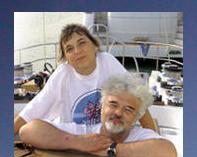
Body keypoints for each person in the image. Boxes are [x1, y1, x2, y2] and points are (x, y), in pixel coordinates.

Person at [14, 23, 155, 134]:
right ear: (66, 58)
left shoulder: (107, 61)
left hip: (106, 133)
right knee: (29, 131)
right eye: (69, 49)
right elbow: (34, 110)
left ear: (95, 46)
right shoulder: (63, 74)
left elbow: (136, 97)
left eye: (82, 43)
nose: (77, 51)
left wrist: (154, 137)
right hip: (73, 137)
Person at [19, 73, 177, 157]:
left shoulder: (140, 136)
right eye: (113, 104)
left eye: (128, 109)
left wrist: (111, 150)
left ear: (136, 117)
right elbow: (27, 131)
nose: (118, 113)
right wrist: (76, 141)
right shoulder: (83, 132)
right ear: (101, 107)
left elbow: (168, 154)